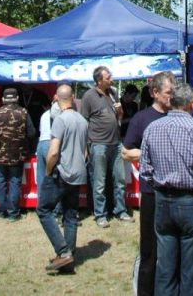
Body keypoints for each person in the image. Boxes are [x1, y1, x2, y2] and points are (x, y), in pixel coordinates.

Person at [140, 81, 193, 296]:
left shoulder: (152, 129)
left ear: (171, 101)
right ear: (192, 103)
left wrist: (160, 186)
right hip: (191, 204)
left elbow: (145, 171)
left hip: (163, 201)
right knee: (190, 271)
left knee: (165, 268)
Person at [121, 71, 175, 296]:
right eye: (168, 92)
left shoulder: (178, 116)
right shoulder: (141, 119)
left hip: (177, 192)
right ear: (154, 93)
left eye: (173, 92)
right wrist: (152, 153)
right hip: (152, 192)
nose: (172, 97)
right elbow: (126, 152)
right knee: (149, 249)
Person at [37, 84, 88, 274]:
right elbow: (85, 151)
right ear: (73, 97)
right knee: (70, 214)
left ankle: (63, 251)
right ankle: (69, 256)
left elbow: (53, 152)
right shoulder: (82, 120)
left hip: (61, 172)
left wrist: (48, 171)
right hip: (77, 172)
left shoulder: (59, 120)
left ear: (56, 98)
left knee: (43, 210)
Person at [81, 65, 133, 227]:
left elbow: (119, 118)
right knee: (99, 182)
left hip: (116, 143)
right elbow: (84, 121)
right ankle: (100, 215)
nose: (111, 79)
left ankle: (120, 210)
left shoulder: (113, 93)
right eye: (108, 77)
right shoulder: (89, 96)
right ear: (99, 81)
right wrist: (86, 146)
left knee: (120, 179)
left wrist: (121, 111)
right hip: (98, 144)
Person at [0, 87, 35, 221]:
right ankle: (13, 213)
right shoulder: (23, 112)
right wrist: (28, 147)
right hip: (17, 155)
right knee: (15, 182)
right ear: (17, 98)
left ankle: (0, 212)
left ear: (3, 99)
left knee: (0, 182)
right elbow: (31, 133)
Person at [36, 95, 61, 193]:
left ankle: (41, 200)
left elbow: (40, 130)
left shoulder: (44, 114)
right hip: (52, 143)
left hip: (41, 143)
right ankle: (55, 202)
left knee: (41, 176)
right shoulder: (60, 114)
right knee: (55, 176)